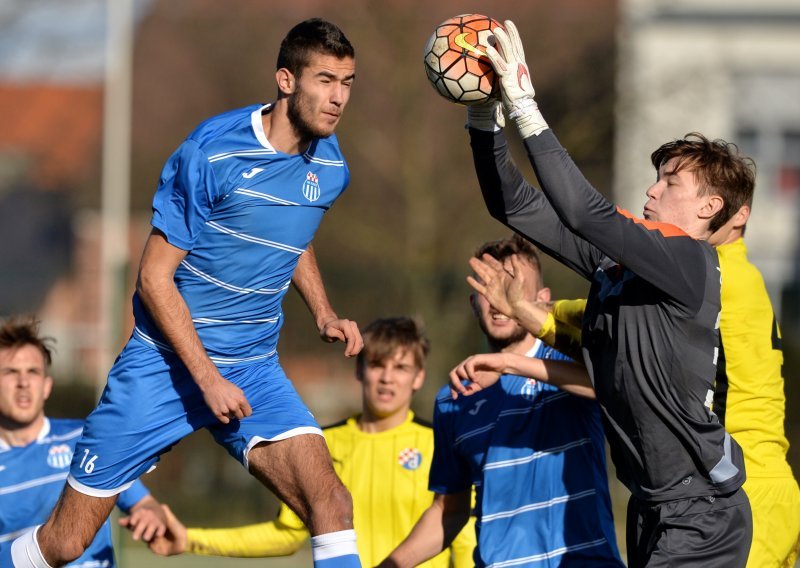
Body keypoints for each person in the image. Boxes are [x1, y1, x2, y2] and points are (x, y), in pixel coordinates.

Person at [11, 18, 364, 568]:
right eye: (325, 80)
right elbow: (153, 278)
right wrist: (207, 379)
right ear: (286, 80)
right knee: (64, 544)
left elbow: (294, 234)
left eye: (346, 83)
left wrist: (323, 312)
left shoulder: (331, 165)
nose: (338, 97)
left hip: (253, 369)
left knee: (331, 503)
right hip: (162, 369)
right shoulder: (210, 153)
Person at [460, 20, 755, 566]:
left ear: (708, 208)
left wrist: (525, 103)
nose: (651, 188)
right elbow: (516, 207)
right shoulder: (619, 266)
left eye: (670, 181)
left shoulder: (691, 262)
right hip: (652, 506)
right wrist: (484, 117)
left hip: (703, 513)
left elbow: (583, 211)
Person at [123, 317, 476, 567]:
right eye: (377, 364)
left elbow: (461, 536)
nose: (387, 378)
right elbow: (286, 535)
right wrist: (191, 539)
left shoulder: (439, 443)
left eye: (400, 368)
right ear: (358, 370)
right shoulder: (321, 445)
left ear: (419, 378)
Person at [381, 236, 623, 567]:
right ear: (472, 302)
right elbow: (448, 511)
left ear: (543, 299)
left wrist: (511, 365)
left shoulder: (574, 362)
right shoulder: (454, 396)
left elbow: (614, 385)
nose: (498, 301)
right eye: (487, 289)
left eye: (512, 287)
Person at [0, 317, 166, 567]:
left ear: (46, 386)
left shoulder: (84, 439)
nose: (23, 383)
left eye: (33, 372)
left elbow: (144, 504)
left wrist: (149, 515)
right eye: (11, 372)